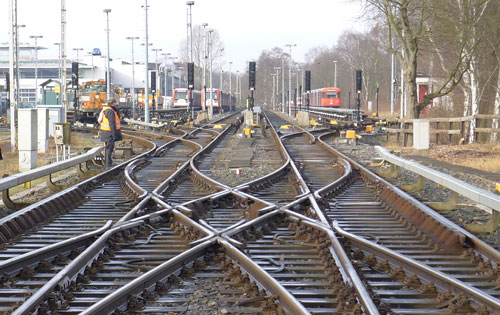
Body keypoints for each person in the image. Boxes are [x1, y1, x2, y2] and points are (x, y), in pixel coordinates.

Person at [98, 98, 122, 168]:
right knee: (109, 148)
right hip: (109, 133)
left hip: (106, 132)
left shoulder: (107, 110)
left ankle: (108, 163)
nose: (116, 104)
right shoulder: (110, 111)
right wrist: (114, 135)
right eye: (115, 103)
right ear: (113, 103)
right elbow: (112, 123)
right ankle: (108, 164)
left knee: (109, 148)